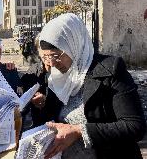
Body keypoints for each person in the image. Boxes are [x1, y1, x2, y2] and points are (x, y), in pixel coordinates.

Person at [24, 13, 146, 159]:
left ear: (74, 45)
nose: (51, 63)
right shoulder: (56, 77)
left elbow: (134, 126)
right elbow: (51, 123)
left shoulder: (110, 70)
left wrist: (80, 131)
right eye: (45, 57)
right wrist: (41, 106)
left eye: (55, 56)